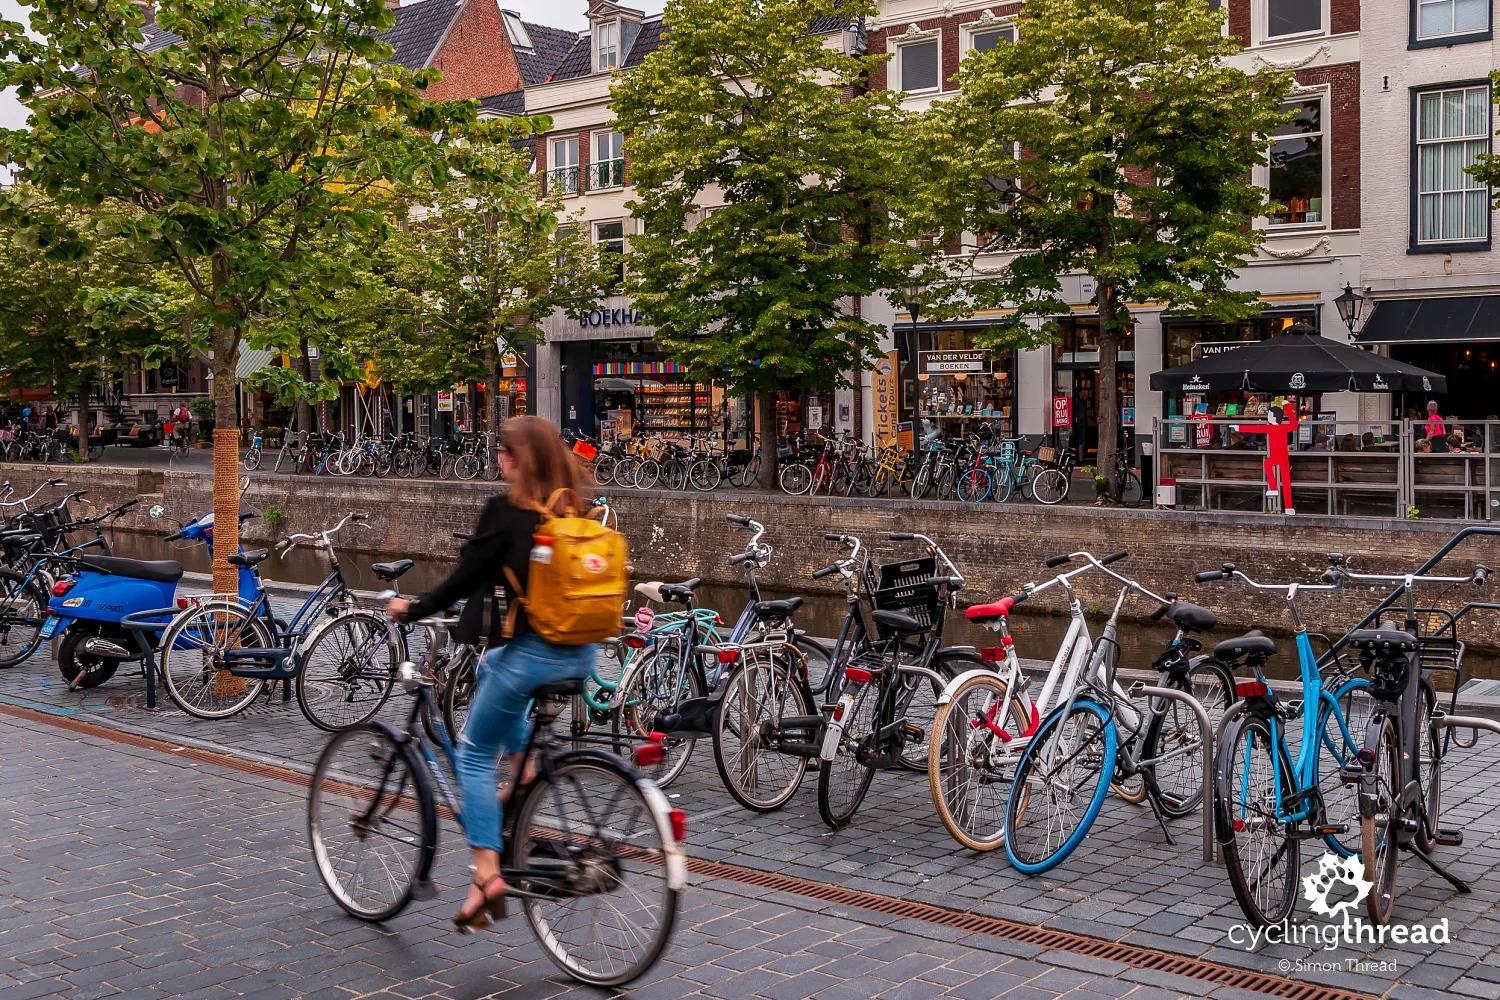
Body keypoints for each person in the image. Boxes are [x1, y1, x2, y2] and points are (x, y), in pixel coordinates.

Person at [385, 415, 595, 932]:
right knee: (491, 666)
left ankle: (486, 874)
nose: (497, 458)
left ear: (517, 460)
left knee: (475, 755)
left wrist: (413, 607)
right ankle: (525, 768)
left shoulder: (507, 510)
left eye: (502, 450)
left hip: (534, 654)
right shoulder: (574, 508)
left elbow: (465, 578)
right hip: (581, 653)